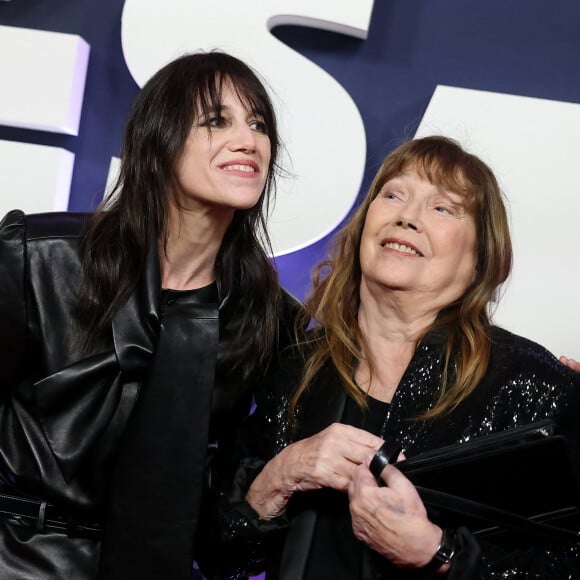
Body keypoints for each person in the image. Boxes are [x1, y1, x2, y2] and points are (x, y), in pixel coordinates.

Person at [221, 136, 580, 579]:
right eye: (393, 195)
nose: (407, 217)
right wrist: (280, 477)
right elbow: (222, 558)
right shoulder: (296, 366)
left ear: (481, 258)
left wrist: (442, 554)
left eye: (443, 207)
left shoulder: (529, 382)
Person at [0, 51, 299, 580]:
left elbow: (222, 503)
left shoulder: (265, 315)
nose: (248, 140)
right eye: (216, 121)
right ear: (159, 140)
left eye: (258, 124)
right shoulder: (39, 257)